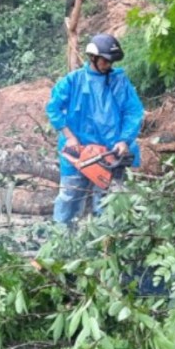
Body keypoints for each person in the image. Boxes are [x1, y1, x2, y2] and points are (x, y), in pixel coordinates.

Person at [45, 33, 144, 224]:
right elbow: (53, 107)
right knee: (69, 196)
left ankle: (105, 244)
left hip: (110, 151)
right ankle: (61, 240)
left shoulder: (119, 81)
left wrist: (124, 139)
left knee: (106, 201)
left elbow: (133, 112)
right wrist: (69, 136)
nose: (108, 66)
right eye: (105, 61)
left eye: (111, 62)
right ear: (93, 58)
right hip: (78, 150)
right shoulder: (73, 81)